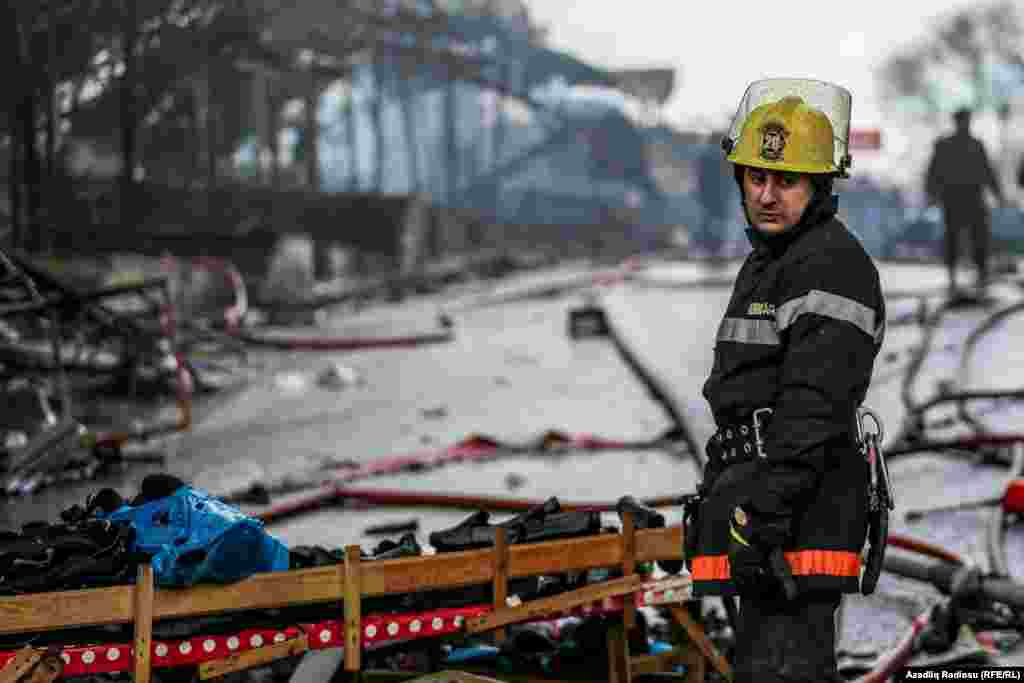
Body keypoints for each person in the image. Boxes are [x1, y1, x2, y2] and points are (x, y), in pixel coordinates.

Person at [687, 79, 886, 682]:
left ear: (820, 186)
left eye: (787, 181)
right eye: (756, 178)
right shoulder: (773, 261)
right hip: (768, 507)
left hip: (793, 515)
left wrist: (763, 518)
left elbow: (812, 407)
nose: (768, 194)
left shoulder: (828, 264)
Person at [924, 107, 1005, 298]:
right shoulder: (947, 145)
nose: (965, 124)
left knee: (978, 238)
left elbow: (987, 171)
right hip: (955, 198)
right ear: (959, 122)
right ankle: (956, 276)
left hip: (970, 198)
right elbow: (934, 172)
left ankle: (981, 275)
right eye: (964, 120)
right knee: (955, 238)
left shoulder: (974, 145)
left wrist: (998, 193)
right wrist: (932, 194)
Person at [696, 129, 738, 262]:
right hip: (720, 196)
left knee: (709, 221)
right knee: (719, 222)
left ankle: (708, 248)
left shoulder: (704, 155)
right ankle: (718, 248)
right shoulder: (723, 156)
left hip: (707, 196)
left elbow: (699, 178)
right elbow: (729, 177)